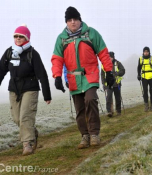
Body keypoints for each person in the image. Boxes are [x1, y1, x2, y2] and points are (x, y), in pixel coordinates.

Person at [51, 7, 114, 149]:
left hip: (90, 75)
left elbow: (103, 53)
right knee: (79, 108)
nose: (73, 22)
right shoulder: (61, 39)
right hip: (73, 79)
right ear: (66, 22)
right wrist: (57, 76)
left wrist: (109, 71)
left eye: (75, 19)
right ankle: (84, 135)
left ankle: (94, 134)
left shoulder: (91, 33)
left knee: (90, 99)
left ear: (80, 20)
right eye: (70, 20)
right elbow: (57, 59)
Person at [0, 24, 51, 156]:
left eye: (20, 36)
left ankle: (27, 144)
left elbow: (42, 74)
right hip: (14, 89)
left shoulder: (33, 54)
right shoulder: (9, 52)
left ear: (26, 38)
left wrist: (47, 94)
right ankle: (32, 132)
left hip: (30, 88)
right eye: (15, 36)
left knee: (25, 116)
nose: (17, 38)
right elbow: (0, 71)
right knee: (17, 118)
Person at [101, 51, 125, 117]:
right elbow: (102, 75)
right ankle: (109, 111)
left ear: (113, 57)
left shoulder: (118, 63)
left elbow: (123, 70)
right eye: (108, 57)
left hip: (116, 83)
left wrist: (117, 73)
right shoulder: (104, 64)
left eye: (110, 57)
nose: (109, 58)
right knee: (108, 97)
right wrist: (103, 84)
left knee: (117, 98)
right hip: (108, 84)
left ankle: (118, 111)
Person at [137, 47, 152, 112]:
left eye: (147, 52)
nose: (146, 53)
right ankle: (146, 106)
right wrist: (138, 75)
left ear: (149, 52)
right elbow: (139, 67)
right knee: (145, 91)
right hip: (144, 77)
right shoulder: (140, 59)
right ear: (143, 52)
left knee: (151, 91)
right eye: (145, 52)